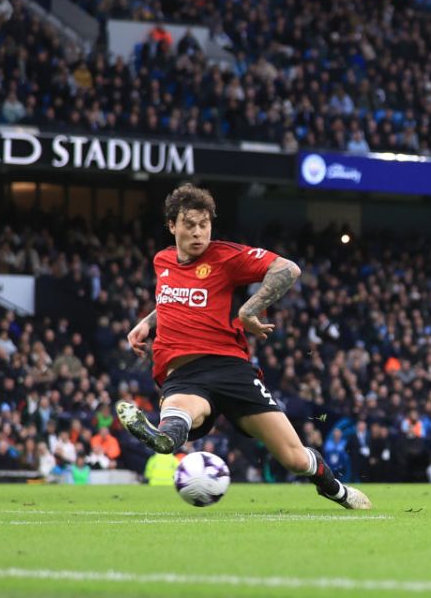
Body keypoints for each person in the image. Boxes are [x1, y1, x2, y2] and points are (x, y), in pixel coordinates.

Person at [115, 184, 370, 509]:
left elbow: (288, 268)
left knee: (293, 458)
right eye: (189, 225)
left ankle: (334, 489)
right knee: (179, 411)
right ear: (172, 226)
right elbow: (172, 298)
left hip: (230, 369)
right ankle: (164, 438)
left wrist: (249, 309)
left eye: (203, 224)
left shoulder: (225, 256)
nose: (198, 233)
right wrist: (147, 323)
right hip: (185, 372)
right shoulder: (162, 261)